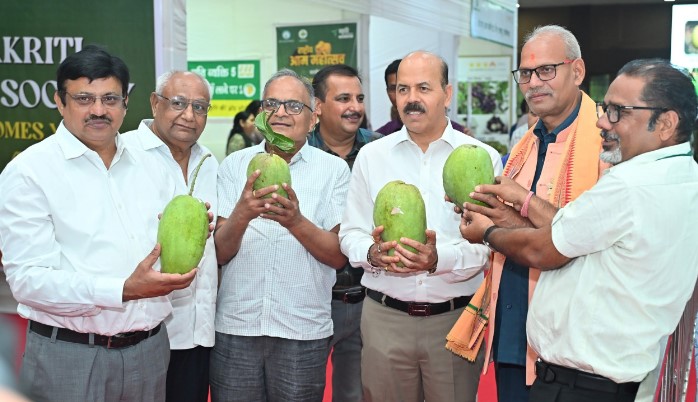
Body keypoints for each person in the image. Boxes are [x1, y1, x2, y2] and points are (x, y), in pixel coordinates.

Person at [460, 58, 698, 402]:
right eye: (605, 108)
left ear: (665, 123)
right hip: (618, 380)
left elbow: (544, 249)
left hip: (580, 387)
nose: (602, 121)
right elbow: (574, 230)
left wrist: (486, 233)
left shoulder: (629, 186)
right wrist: (514, 209)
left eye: (618, 112)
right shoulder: (685, 177)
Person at [0, 45, 197, 402]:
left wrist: (192, 232)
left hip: (150, 350)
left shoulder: (154, 164)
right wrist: (122, 289)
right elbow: (29, 281)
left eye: (110, 98)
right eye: (83, 99)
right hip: (69, 356)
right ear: (60, 102)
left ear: (126, 102)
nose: (98, 110)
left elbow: (168, 245)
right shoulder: (29, 172)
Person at [338, 50, 502, 402]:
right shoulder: (372, 156)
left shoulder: (482, 157)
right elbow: (350, 233)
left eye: (423, 88)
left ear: (447, 93)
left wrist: (438, 259)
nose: (411, 99)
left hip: (455, 318)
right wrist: (372, 253)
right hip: (385, 318)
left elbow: (492, 244)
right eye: (403, 89)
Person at [463, 25, 607, 402]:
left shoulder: (607, 143)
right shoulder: (525, 144)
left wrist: (520, 202)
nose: (533, 83)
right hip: (514, 327)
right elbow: (523, 229)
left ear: (577, 71)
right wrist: (486, 212)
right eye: (526, 73)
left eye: (546, 70)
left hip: (575, 346)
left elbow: (588, 239)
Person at [211, 69, 351, 402]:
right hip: (236, 327)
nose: (281, 113)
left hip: (302, 330)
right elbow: (218, 253)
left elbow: (338, 256)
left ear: (313, 117)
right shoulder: (234, 165)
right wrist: (243, 213)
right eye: (271, 104)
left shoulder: (333, 170)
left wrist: (295, 221)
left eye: (293, 105)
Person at [121, 70, 218, 402]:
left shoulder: (209, 162)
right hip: (144, 334)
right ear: (154, 102)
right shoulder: (123, 154)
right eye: (178, 103)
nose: (189, 115)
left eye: (200, 107)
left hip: (199, 332)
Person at [309, 64, 382, 402]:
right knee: (300, 390)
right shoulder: (299, 153)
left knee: (354, 394)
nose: (355, 107)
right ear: (318, 106)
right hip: (312, 300)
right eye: (343, 99)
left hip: (367, 298)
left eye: (359, 98)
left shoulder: (379, 151)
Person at [375, 58, 470, 136]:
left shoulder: (458, 134)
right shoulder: (379, 138)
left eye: (422, 88)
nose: (410, 98)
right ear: (387, 92)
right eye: (400, 89)